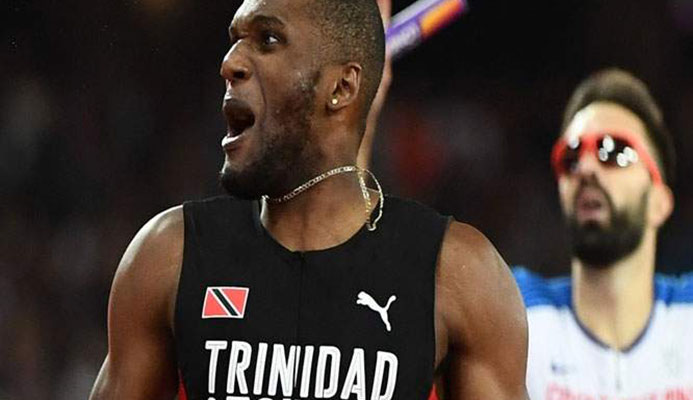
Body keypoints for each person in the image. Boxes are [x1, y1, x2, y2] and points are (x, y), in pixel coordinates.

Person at [88, 0, 529, 399]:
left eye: (268, 39)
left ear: (341, 88)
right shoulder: (170, 253)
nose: (229, 64)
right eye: (235, 41)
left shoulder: (456, 273)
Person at [513, 69, 693, 399]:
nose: (587, 168)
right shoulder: (514, 313)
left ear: (660, 202)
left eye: (614, 150)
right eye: (570, 158)